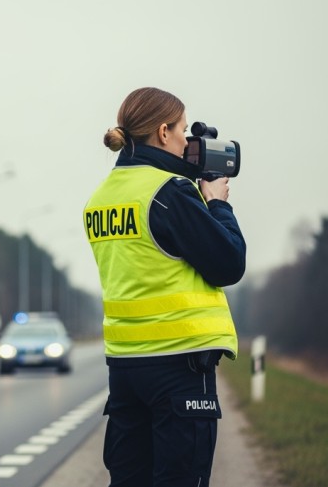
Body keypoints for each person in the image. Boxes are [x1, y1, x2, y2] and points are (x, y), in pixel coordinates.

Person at [83, 87, 246, 487]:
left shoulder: (101, 197)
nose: (187, 141)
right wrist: (217, 204)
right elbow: (229, 263)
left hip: (125, 368)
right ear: (162, 132)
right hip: (179, 365)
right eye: (183, 130)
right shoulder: (168, 192)